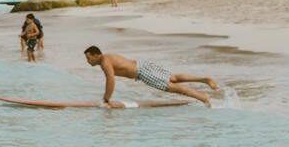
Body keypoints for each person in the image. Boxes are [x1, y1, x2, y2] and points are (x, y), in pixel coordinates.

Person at [83, 45, 218, 106]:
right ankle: (205, 79)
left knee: (175, 87)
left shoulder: (105, 62)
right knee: (173, 78)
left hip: (143, 72)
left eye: (89, 58)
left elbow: (110, 80)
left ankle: (203, 98)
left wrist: (106, 99)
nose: (87, 61)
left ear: (96, 55)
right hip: (142, 65)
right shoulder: (108, 57)